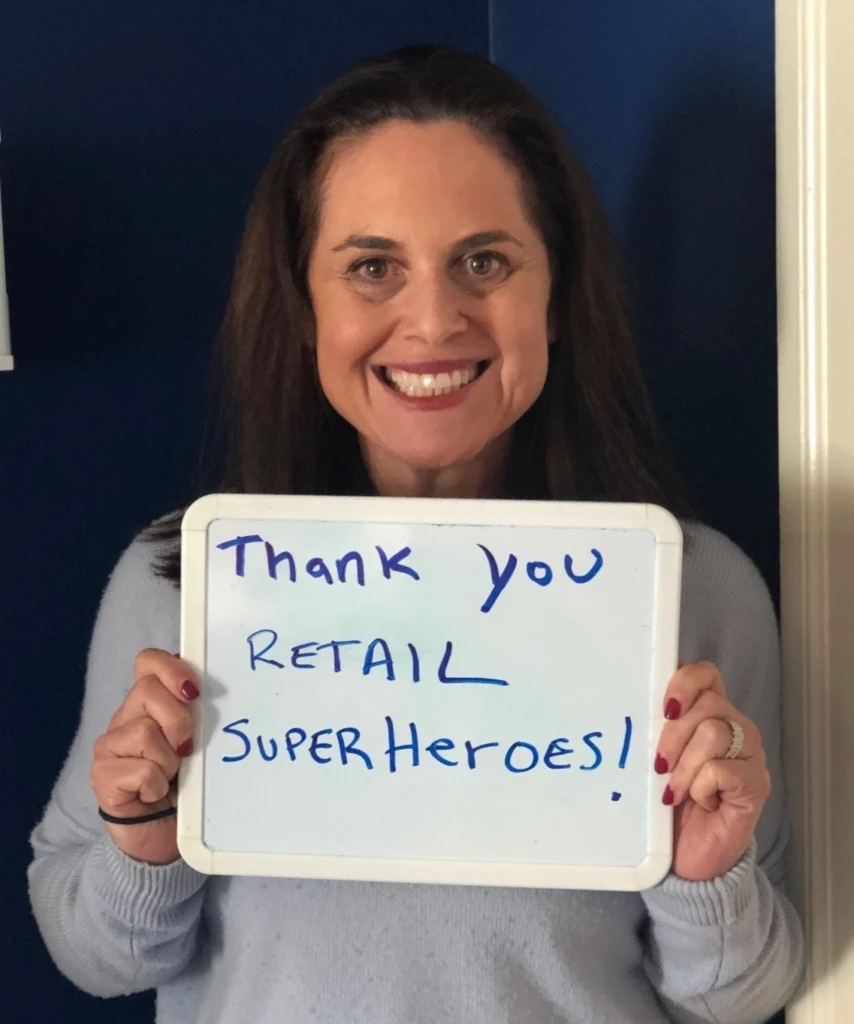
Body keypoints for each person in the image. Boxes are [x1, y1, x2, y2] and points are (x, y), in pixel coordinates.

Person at [28, 45, 804, 1024]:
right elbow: (95, 959)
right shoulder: (179, 584)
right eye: (372, 268)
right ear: (304, 305)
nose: (433, 321)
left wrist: (704, 876)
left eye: (483, 262)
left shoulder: (698, 591)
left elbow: (747, 997)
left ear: (555, 297)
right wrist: (142, 842)